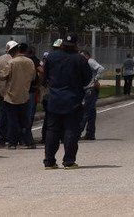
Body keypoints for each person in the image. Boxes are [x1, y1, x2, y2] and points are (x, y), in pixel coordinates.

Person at [42, 33, 93, 169]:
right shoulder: (80, 59)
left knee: (52, 130)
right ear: (76, 45)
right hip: (72, 99)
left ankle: (49, 161)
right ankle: (69, 161)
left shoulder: (51, 57)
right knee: (71, 130)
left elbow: (44, 76)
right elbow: (87, 78)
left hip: (54, 98)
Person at [0, 42, 37, 149]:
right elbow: (34, 76)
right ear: (26, 51)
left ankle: (12, 143)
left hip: (11, 95)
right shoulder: (30, 62)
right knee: (25, 120)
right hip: (25, 94)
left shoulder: (11, 62)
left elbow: (2, 76)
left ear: (16, 50)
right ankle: (29, 141)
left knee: (12, 120)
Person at [0, 40, 18, 147]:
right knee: (14, 116)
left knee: (3, 115)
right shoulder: (16, 60)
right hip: (14, 91)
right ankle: (13, 137)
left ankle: (1, 138)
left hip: (1, 90)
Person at [79, 50, 105, 140]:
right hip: (90, 89)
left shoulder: (90, 61)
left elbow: (101, 68)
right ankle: (90, 133)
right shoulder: (84, 63)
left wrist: (95, 79)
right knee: (91, 112)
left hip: (90, 89)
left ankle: (78, 132)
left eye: (82, 56)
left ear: (87, 56)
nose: (80, 58)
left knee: (85, 110)